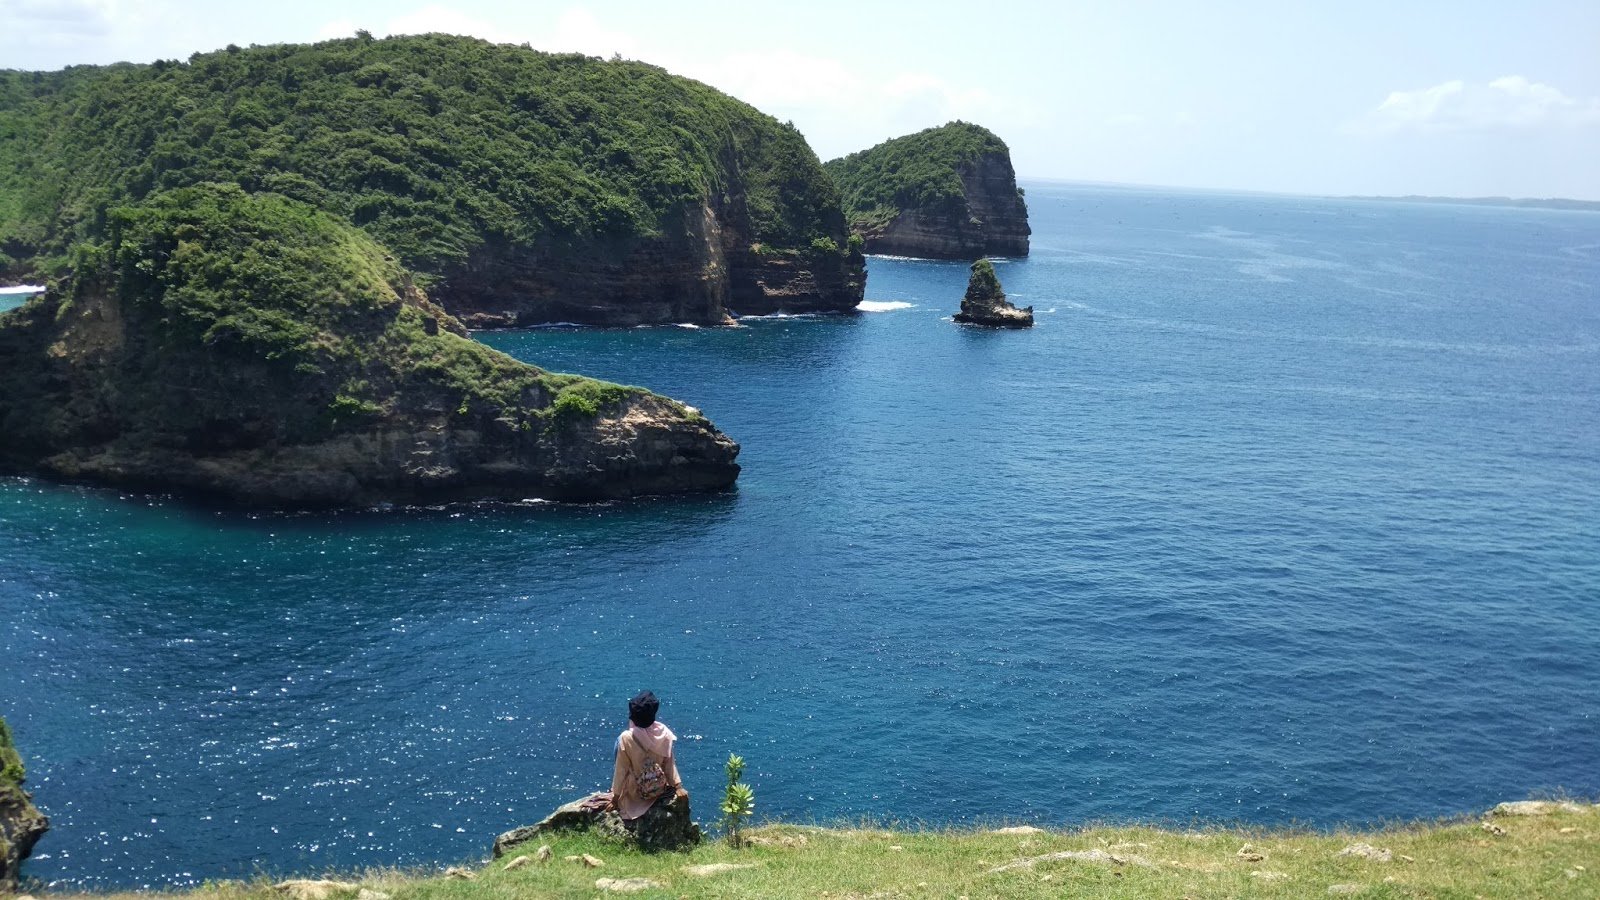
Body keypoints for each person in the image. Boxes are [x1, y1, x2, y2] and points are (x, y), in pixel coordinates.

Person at [609, 690, 689, 821]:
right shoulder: (664, 733)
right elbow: (669, 763)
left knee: (618, 742)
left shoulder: (626, 738)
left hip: (636, 793)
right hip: (657, 789)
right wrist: (678, 787)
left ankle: (623, 796)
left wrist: (615, 798)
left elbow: (620, 770)